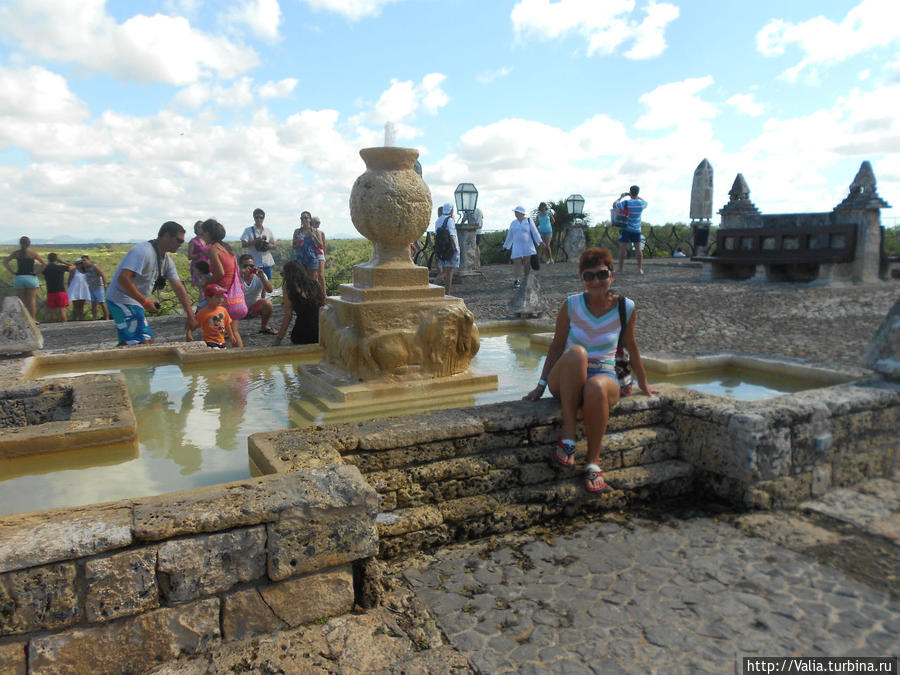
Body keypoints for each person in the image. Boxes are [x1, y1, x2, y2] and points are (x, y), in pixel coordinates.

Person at [523, 248, 658, 492]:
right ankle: (569, 432)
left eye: (602, 274)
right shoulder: (572, 305)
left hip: (604, 375)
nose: (596, 281)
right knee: (577, 353)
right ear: (582, 279)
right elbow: (556, 346)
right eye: (589, 276)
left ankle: (593, 462)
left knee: (596, 387)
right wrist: (540, 385)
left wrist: (644, 383)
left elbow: (632, 345)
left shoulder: (626, 307)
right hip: (568, 376)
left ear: (612, 275)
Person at [106, 221, 199, 346]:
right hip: (121, 299)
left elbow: (178, 287)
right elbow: (123, 279)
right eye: (179, 240)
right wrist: (144, 302)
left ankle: (116, 363)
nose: (181, 244)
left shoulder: (165, 260)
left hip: (132, 301)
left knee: (131, 342)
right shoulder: (142, 251)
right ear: (166, 236)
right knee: (145, 340)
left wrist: (191, 315)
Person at [201, 219, 244, 348]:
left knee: (212, 331)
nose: (201, 236)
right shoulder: (228, 249)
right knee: (234, 331)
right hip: (231, 295)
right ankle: (243, 361)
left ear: (209, 233)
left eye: (203, 233)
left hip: (220, 296)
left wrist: (205, 283)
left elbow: (219, 273)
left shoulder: (214, 249)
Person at [274, 260, 324, 345]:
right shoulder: (315, 284)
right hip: (320, 331)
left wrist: (278, 339)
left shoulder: (288, 289)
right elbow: (323, 307)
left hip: (302, 333)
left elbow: (288, 316)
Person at [3, 236, 45, 320]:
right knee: (31, 300)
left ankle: (22, 319)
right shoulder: (33, 253)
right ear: (29, 243)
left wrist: (12, 271)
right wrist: (37, 272)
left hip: (19, 278)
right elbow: (44, 264)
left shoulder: (16, 253)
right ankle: (33, 319)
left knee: (21, 301)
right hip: (31, 278)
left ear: (20, 243)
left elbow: (5, 262)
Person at [503, 205, 542, 288]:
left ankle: (526, 279)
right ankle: (516, 279)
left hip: (527, 245)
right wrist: (506, 246)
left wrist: (540, 241)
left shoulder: (528, 221)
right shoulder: (513, 223)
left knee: (527, 263)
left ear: (521, 213)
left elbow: (535, 232)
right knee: (516, 263)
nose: (515, 214)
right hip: (517, 245)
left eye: (517, 212)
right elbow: (510, 235)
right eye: (515, 212)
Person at [614, 185, 648, 275]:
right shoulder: (641, 204)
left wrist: (621, 197)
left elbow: (615, 205)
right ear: (638, 192)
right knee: (638, 250)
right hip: (637, 229)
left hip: (626, 228)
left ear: (630, 192)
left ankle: (620, 270)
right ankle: (640, 269)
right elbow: (646, 202)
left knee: (622, 249)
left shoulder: (626, 203)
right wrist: (637, 196)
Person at [238, 253, 276, 334]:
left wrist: (262, 278)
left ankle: (264, 326)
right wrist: (241, 275)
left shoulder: (259, 275)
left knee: (267, 303)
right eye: (245, 266)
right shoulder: (236, 276)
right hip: (238, 309)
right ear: (240, 266)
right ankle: (228, 330)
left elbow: (270, 290)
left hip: (254, 308)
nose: (249, 268)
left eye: (251, 266)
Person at [196, 284, 236, 349]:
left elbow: (227, 324)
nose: (220, 299)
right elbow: (194, 323)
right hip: (209, 341)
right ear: (208, 298)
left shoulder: (223, 310)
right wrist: (189, 333)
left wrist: (231, 336)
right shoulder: (203, 312)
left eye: (222, 297)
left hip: (222, 340)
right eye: (217, 297)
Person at [292, 212, 324, 292]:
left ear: (309, 219)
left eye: (306, 217)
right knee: (301, 280)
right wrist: (299, 245)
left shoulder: (316, 231)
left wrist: (314, 236)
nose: (304, 219)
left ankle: (314, 300)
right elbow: (293, 246)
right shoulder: (297, 231)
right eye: (302, 218)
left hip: (312, 259)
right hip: (300, 259)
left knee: (312, 281)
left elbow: (321, 246)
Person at [240, 208, 276, 279]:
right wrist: (255, 241)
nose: (259, 219)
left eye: (261, 217)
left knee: (266, 285)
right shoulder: (248, 230)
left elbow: (274, 245)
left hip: (266, 262)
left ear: (263, 218)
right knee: (254, 284)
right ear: (254, 217)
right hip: (254, 263)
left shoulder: (268, 231)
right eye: (257, 217)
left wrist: (269, 246)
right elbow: (243, 244)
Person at [434, 202, 459, 295]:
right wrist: (456, 248)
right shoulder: (450, 220)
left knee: (444, 271)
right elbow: (452, 235)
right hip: (449, 248)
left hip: (441, 248)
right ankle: (447, 292)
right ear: (451, 210)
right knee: (449, 271)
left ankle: (434, 286)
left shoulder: (438, 220)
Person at [42, 253, 74, 323]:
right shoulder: (60, 267)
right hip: (61, 291)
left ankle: (53, 327)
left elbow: (43, 270)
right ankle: (65, 327)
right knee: (62, 310)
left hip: (50, 291)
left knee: (52, 312)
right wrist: (62, 262)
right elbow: (73, 267)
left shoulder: (47, 269)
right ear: (56, 259)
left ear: (48, 259)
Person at [81, 255, 109, 319]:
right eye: (82, 261)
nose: (84, 262)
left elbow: (102, 274)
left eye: (84, 260)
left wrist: (105, 285)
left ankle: (106, 317)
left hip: (98, 287)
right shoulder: (85, 268)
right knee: (93, 304)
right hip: (91, 287)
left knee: (101, 302)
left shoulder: (94, 267)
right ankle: (94, 317)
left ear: (88, 260)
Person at [187, 221, 211, 295]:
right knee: (202, 289)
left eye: (203, 226)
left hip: (208, 266)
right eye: (199, 227)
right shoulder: (193, 241)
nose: (201, 228)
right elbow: (189, 256)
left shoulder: (208, 240)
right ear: (195, 229)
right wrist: (201, 254)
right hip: (198, 268)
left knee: (208, 287)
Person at [311, 216, 327, 293]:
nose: (319, 224)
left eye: (319, 222)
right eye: (317, 222)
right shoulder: (309, 232)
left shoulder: (321, 232)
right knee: (314, 276)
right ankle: (316, 293)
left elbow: (323, 245)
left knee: (320, 275)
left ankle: (324, 294)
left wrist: (324, 256)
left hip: (320, 254)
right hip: (311, 254)